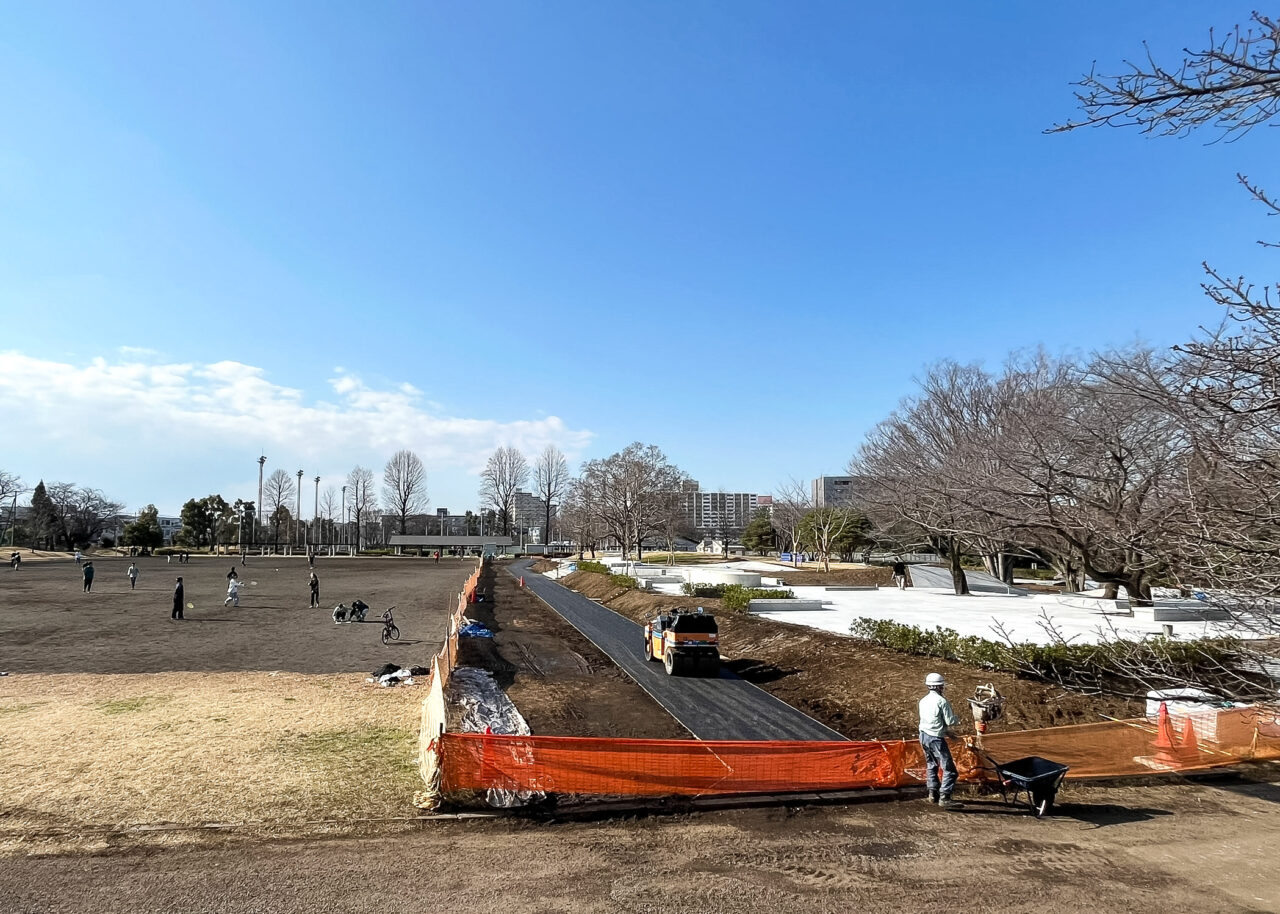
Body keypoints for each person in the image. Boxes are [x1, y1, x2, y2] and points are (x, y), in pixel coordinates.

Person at [919, 673, 962, 809]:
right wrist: (957, 718)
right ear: (940, 687)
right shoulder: (942, 702)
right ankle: (945, 797)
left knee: (931, 764)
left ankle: (933, 794)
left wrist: (947, 733)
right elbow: (950, 721)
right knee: (950, 770)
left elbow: (932, 722)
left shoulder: (923, 700)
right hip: (936, 739)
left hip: (924, 736)